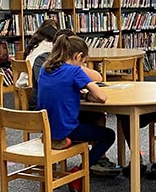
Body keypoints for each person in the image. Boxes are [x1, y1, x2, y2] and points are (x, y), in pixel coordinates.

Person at [36, 35, 117, 177]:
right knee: (109, 135)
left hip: (47, 129)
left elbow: (59, 91)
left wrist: (84, 95)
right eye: (83, 62)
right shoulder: (74, 71)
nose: (82, 65)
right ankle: (81, 170)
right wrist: (89, 91)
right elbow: (102, 97)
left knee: (96, 116)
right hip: (66, 129)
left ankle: (66, 145)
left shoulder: (45, 69)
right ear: (78, 56)